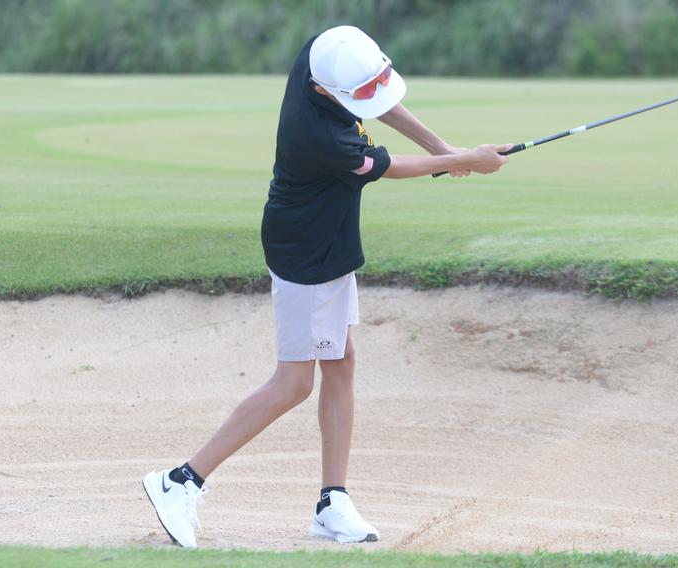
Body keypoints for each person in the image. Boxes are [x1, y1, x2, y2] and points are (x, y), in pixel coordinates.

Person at [142, 25, 510, 548]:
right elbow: (391, 168)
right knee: (294, 383)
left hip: (328, 238)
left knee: (342, 360)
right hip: (307, 252)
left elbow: (376, 99)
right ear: (325, 92)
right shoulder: (325, 139)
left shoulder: (324, 55)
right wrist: (463, 161)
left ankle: (331, 503)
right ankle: (181, 480)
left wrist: (446, 149)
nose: (368, 98)